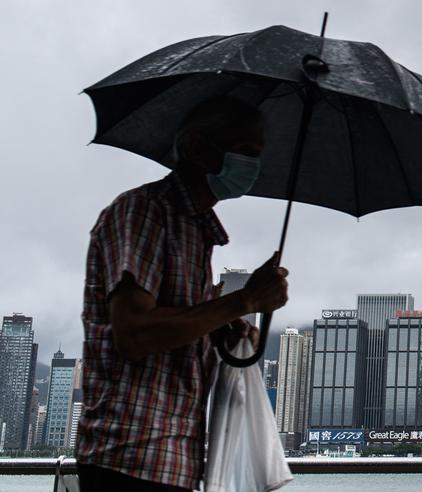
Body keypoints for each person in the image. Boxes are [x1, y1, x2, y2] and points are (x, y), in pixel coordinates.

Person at [76, 97, 288, 491]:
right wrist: (243, 301)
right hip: (130, 456)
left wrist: (227, 329)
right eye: (245, 152)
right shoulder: (144, 212)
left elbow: (178, 326)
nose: (253, 167)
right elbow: (136, 333)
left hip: (176, 459)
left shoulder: (197, 234)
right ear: (195, 147)